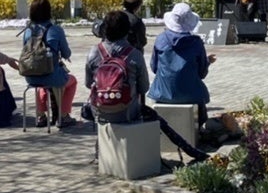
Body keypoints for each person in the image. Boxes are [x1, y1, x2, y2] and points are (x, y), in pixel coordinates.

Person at [87, 10, 207, 162]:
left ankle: (100, 153)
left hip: (99, 111)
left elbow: (88, 83)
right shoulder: (134, 54)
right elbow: (143, 87)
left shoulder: (94, 52)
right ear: (127, 31)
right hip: (127, 112)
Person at [148, 1, 214, 126]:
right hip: (191, 94)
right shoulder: (196, 42)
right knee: (201, 109)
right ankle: (200, 130)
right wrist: (207, 61)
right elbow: (202, 73)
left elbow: (154, 67)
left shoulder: (161, 39)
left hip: (163, 94)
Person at [21, 0, 76, 129]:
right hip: (51, 75)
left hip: (30, 76)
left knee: (41, 84)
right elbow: (66, 53)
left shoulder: (27, 31)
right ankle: (63, 116)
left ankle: (41, 115)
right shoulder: (55, 30)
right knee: (71, 81)